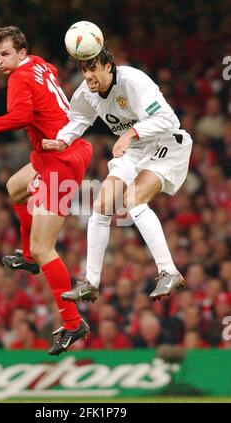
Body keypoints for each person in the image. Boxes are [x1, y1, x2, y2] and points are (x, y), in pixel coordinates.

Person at [0, 26, 92, 355]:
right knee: (15, 188)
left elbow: (19, 117)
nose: (0, 61)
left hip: (61, 157)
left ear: (20, 52)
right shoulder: (40, 64)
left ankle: (74, 324)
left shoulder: (18, 77)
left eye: (5, 54)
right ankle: (28, 258)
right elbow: (52, 78)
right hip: (53, 151)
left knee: (46, 248)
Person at [43, 43, 192, 302]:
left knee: (132, 200)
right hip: (134, 150)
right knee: (101, 206)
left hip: (165, 144)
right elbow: (79, 119)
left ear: (108, 66)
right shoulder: (86, 92)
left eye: (92, 68)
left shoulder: (133, 80)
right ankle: (91, 282)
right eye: (83, 69)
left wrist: (130, 133)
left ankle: (169, 272)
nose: (87, 75)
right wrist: (63, 140)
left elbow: (169, 120)